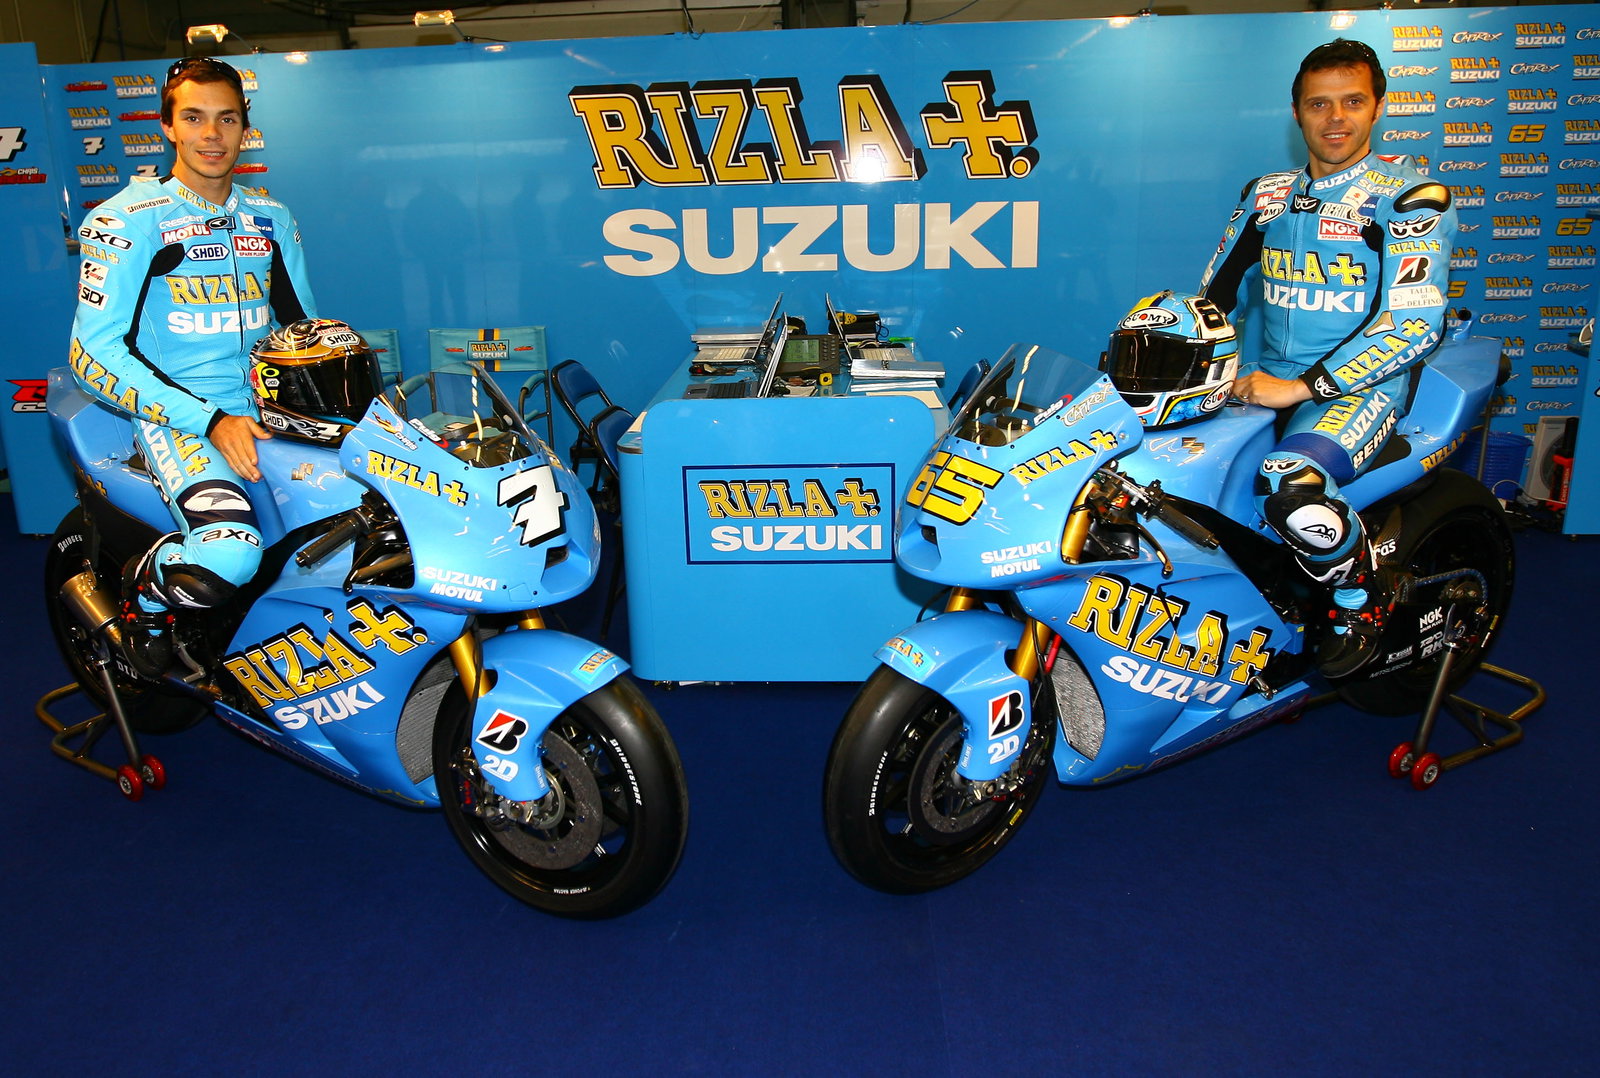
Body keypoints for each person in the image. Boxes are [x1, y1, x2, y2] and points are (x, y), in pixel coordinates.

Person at [1199, 37, 1456, 678]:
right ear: (1297, 113)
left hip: (1362, 389)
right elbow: (1213, 297)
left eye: (1352, 102)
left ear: (1377, 109)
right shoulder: (1267, 194)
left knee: (1291, 484)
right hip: (1265, 381)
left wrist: (1305, 386)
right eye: (1319, 104)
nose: (1335, 118)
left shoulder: (1408, 198)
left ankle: (1358, 601)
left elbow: (1415, 323)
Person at [67, 57, 317, 675]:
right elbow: (89, 355)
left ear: (244, 128)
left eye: (226, 119)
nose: (212, 135)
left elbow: (303, 332)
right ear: (168, 128)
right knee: (228, 554)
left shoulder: (273, 218)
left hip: (268, 411)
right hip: (179, 415)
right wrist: (208, 420)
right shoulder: (127, 221)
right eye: (195, 118)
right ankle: (144, 603)